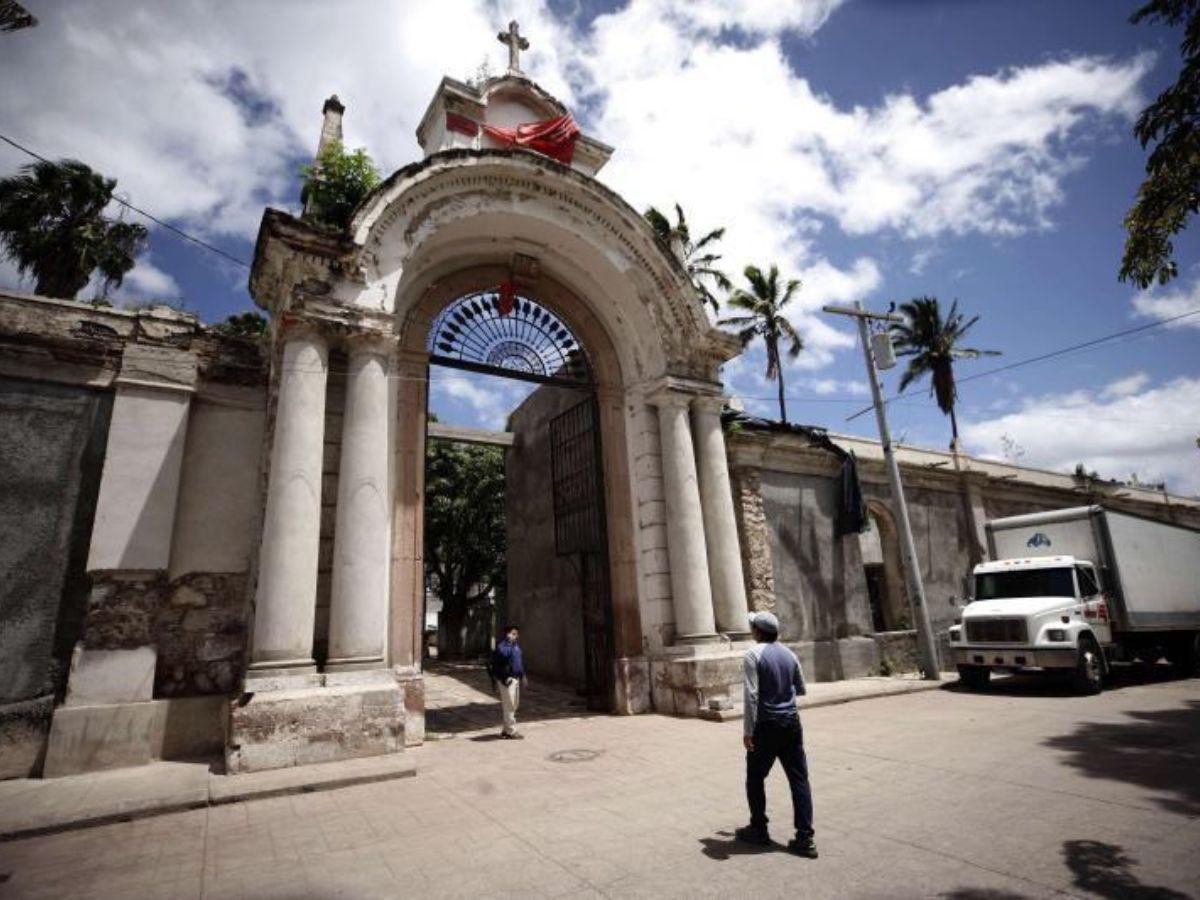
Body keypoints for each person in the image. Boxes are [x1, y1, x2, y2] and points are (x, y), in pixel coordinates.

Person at [736, 611, 817, 858]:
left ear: (757, 632)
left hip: (766, 725)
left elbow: (751, 695)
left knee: (755, 776)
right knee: (799, 779)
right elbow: (800, 689)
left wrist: (748, 731)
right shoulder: (789, 654)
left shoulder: (753, 654)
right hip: (791, 723)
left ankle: (759, 828)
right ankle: (805, 838)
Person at [490, 624, 526, 739]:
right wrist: (508, 642)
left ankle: (506, 730)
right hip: (506, 679)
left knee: (513, 705)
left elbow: (518, 662)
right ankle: (511, 731)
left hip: (515, 679)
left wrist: (523, 676)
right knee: (509, 705)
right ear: (507, 634)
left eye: (516, 634)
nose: (516, 636)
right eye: (513, 633)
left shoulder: (516, 647)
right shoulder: (502, 646)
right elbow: (503, 654)